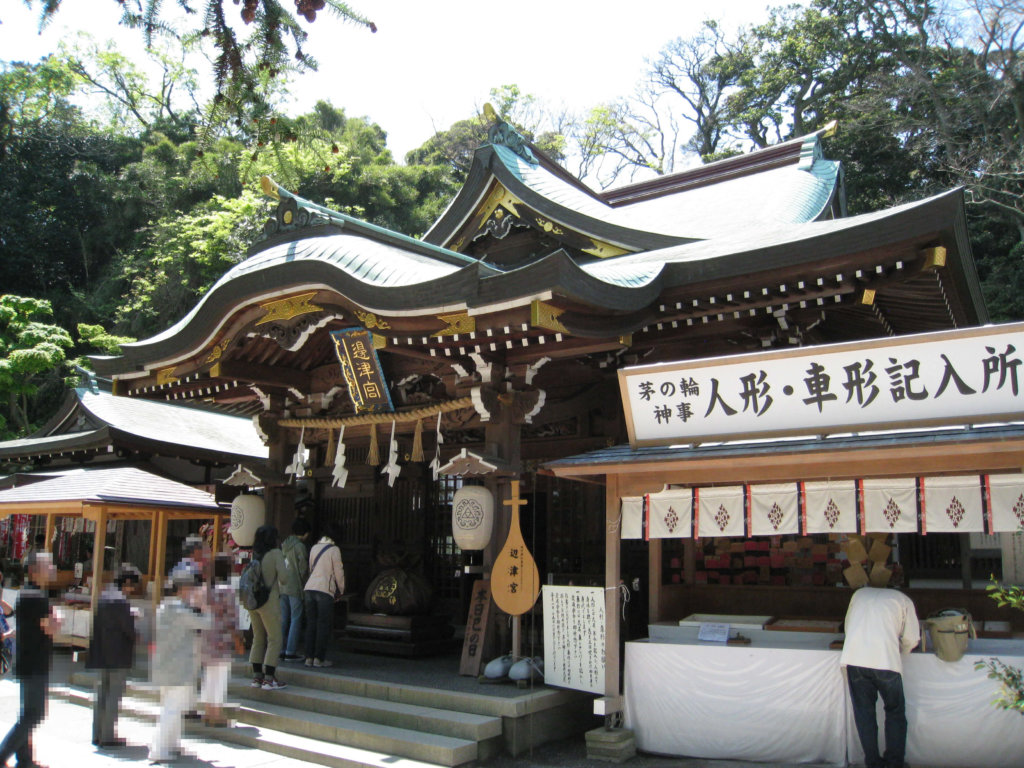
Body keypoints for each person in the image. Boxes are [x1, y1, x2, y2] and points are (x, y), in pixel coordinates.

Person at [840, 585, 921, 768]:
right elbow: (911, 638)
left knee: (864, 714)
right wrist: (903, 649)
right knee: (895, 712)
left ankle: (873, 763)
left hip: (855, 659)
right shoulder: (902, 599)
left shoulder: (859, 594)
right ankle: (894, 763)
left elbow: (848, 626)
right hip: (886, 660)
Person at [0, 551, 57, 768]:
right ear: (34, 571)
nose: (52, 569)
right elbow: (49, 627)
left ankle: (24, 759)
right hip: (35, 663)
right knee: (34, 714)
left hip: (27, 660)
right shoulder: (36, 597)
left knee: (28, 713)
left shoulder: (28, 594)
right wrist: (57, 620)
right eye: (48, 565)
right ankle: (2, 754)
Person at [150, 566, 209, 764]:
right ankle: (158, 749)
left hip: (164, 662)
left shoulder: (164, 607)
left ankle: (171, 744)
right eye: (191, 588)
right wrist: (203, 606)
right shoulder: (179, 610)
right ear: (182, 589)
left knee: (171, 706)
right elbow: (206, 623)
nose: (192, 592)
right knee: (172, 709)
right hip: (179, 665)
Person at [87, 564, 139, 749]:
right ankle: (108, 735)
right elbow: (129, 631)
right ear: (126, 583)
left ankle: (97, 733)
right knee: (113, 695)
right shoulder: (122, 602)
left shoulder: (103, 597)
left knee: (101, 694)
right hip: (118, 654)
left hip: (101, 652)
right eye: (132, 586)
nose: (132, 590)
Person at [201, 555, 240, 727]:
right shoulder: (227, 590)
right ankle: (216, 713)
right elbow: (231, 618)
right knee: (220, 676)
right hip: (222, 636)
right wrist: (238, 639)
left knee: (209, 675)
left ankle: (208, 711)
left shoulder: (208, 589)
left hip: (207, 635)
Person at [247, 524, 287, 690]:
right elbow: (284, 578)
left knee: (258, 637)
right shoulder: (276, 553)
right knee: (275, 638)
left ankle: (257, 677)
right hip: (269, 601)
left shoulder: (254, 554)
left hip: (252, 601)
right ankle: (269, 678)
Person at [303, 523, 345, 668]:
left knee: (311, 624)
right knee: (323, 625)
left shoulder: (314, 548)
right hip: (324, 590)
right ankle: (319, 659)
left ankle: (308, 657)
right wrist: (341, 589)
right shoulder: (334, 550)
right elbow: (338, 571)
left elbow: (310, 568)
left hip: (309, 588)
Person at [279, 517, 311, 662]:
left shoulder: (284, 544)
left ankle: (279, 649)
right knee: (296, 618)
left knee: (284, 618)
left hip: (282, 585)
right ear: (305, 533)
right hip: (295, 586)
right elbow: (303, 568)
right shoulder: (300, 546)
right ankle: (291, 651)